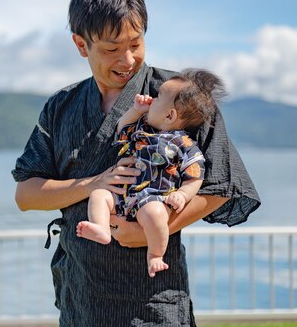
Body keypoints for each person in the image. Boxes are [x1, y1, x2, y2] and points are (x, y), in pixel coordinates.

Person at [13, 0, 260, 327]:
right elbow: (25, 194)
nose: (127, 59)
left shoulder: (181, 97)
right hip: (81, 297)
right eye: (112, 49)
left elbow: (221, 186)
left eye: (136, 42)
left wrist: (151, 231)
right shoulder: (61, 107)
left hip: (155, 299)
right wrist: (92, 185)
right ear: (81, 45)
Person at [76, 69, 226, 277]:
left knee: (155, 215)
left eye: (158, 98)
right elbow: (122, 127)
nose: (152, 99)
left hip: (155, 198)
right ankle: (101, 228)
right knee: (99, 195)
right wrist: (136, 110)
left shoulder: (185, 145)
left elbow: (195, 176)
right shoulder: (141, 130)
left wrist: (182, 195)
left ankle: (155, 255)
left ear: (170, 115)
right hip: (123, 195)